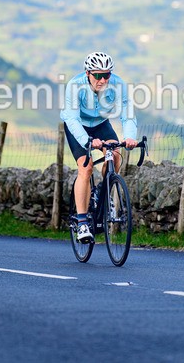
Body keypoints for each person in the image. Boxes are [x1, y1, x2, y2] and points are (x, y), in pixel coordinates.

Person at [60, 52, 137, 243]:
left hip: (101, 124)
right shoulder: (75, 85)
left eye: (106, 75)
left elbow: (128, 114)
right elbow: (72, 118)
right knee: (85, 167)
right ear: (87, 73)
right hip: (78, 126)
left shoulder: (118, 85)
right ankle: (83, 221)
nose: (102, 80)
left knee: (116, 155)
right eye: (97, 75)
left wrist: (129, 137)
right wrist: (87, 140)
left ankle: (103, 192)